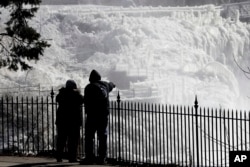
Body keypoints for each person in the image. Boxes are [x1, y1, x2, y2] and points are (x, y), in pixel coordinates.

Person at [81, 69, 115, 165]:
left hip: (92, 116)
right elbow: (111, 84)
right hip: (103, 116)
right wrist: (113, 84)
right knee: (102, 136)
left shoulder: (88, 87)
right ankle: (102, 158)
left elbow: (86, 101)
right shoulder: (105, 85)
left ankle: (89, 157)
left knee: (89, 137)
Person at [55, 80, 84, 162]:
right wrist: (78, 91)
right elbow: (82, 100)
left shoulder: (61, 94)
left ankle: (59, 156)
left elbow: (57, 99)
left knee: (61, 139)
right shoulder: (76, 95)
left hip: (62, 121)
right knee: (73, 141)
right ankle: (72, 157)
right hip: (73, 121)